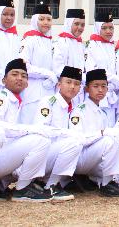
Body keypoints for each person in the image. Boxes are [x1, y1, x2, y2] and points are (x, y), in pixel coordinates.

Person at [0, 58, 52, 203]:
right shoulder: (0, 97)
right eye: (14, 74)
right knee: (40, 141)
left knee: (36, 140)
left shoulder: (16, 101)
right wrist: (30, 129)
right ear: (4, 80)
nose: (19, 78)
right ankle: (22, 189)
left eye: (24, 76)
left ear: (27, 83)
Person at [69, 68, 119, 197]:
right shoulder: (79, 110)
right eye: (95, 86)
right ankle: (106, 185)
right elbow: (77, 140)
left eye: (103, 86)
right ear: (87, 89)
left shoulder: (103, 113)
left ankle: (96, 179)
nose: (100, 90)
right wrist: (102, 133)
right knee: (109, 139)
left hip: (95, 158)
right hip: (81, 157)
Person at [34, 65, 86, 201]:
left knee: (78, 142)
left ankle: (56, 182)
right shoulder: (48, 102)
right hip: (43, 154)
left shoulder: (76, 108)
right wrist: (67, 134)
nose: (72, 87)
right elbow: (41, 129)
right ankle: (51, 186)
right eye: (68, 82)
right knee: (74, 142)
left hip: (60, 155)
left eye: (76, 84)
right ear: (59, 85)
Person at [19, 4, 58, 124]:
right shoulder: (29, 39)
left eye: (49, 19)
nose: (46, 22)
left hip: (49, 91)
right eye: (41, 19)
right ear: (35, 20)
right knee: (29, 125)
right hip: (32, 92)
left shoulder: (51, 42)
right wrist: (48, 74)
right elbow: (24, 66)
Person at [85, 12, 119, 126]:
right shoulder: (92, 46)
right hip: (97, 93)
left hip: (110, 93)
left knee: (110, 126)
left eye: (111, 28)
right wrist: (113, 79)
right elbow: (92, 70)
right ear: (97, 28)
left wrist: (113, 84)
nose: (108, 31)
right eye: (104, 28)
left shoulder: (111, 46)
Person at [53, 9, 86, 104]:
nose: (80, 28)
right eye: (76, 24)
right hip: (64, 91)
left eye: (82, 25)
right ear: (69, 23)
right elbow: (58, 68)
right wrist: (82, 77)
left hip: (79, 91)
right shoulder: (60, 42)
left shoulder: (81, 44)